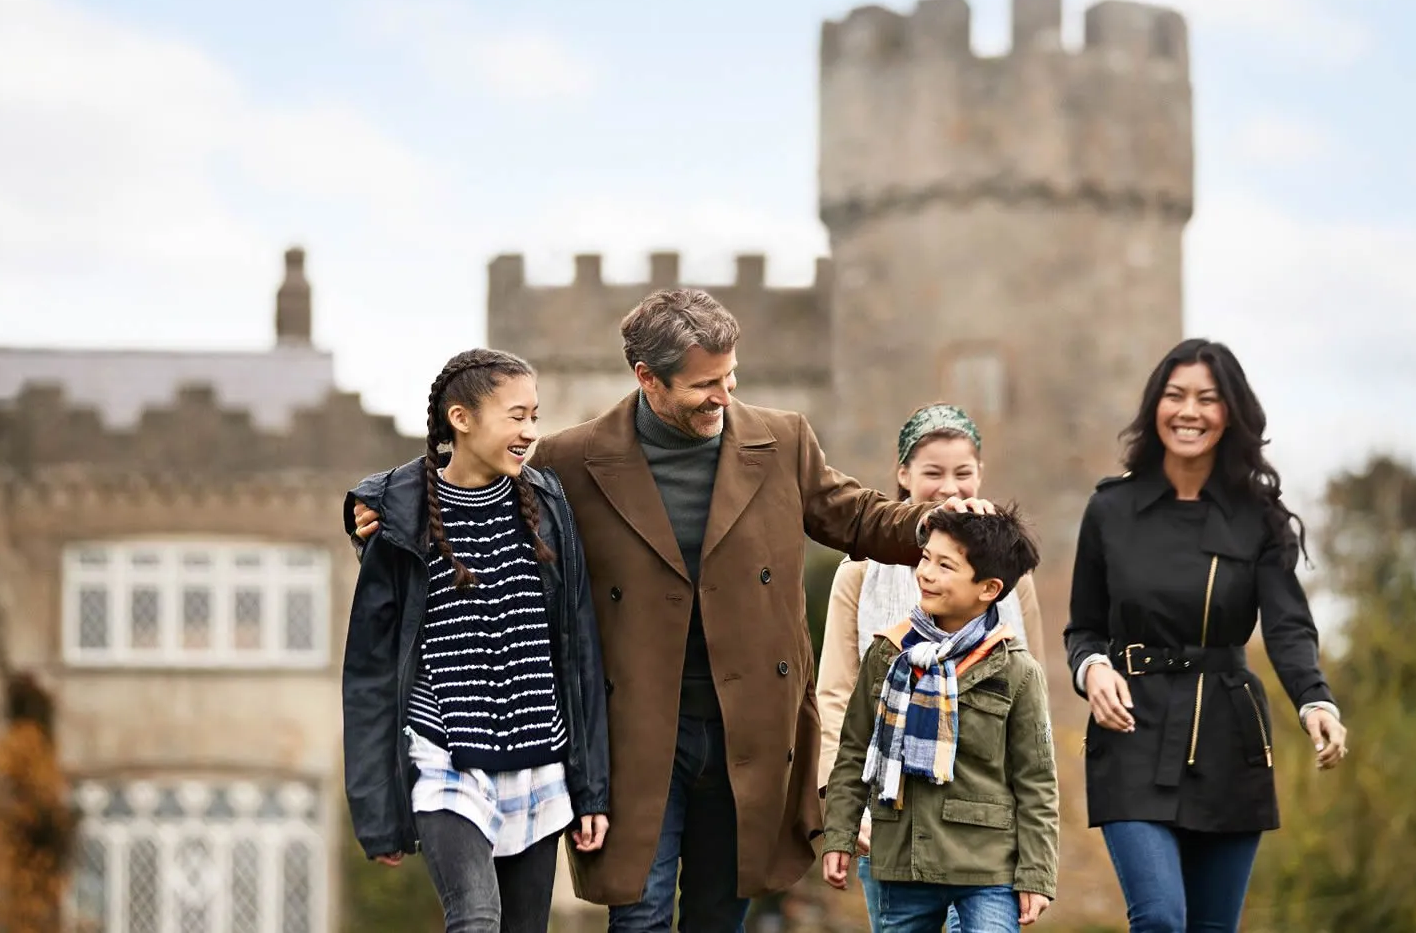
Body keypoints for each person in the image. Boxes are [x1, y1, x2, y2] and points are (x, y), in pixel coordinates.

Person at [348, 289, 997, 932]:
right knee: (641, 918)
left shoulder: (783, 440)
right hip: (637, 732)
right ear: (647, 378)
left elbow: (855, 516)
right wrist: (380, 503)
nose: (723, 396)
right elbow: (477, 479)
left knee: (718, 917)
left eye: (729, 377)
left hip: (747, 727)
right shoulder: (573, 459)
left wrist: (932, 524)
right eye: (704, 384)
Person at [1065, 338, 1349, 933]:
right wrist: (1093, 669)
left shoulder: (1261, 518)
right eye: (1175, 396)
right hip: (1131, 732)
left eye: (1207, 398)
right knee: (1161, 919)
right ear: (1156, 406)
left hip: (1229, 738)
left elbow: (1288, 626)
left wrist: (1315, 699)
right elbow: (1084, 627)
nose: (1188, 411)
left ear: (1230, 413)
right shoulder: (1109, 509)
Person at [342, 348, 612, 933]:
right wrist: (378, 810)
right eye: (516, 416)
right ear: (461, 419)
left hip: (539, 759)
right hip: (446, 758)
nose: (531, 431)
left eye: (535, 416)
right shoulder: (402, 513)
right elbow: (370, 671)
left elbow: (578, 651)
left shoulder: (550, 507)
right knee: (475, 918)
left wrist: (591, 791)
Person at [815, 403, 1050, 932]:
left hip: (985, 827)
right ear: (903, 475)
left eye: (962, 473)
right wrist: (843, 810)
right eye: (932, 473)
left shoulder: (1009, 576)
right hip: (891, 813)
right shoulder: (861, 573)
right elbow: (837, 697)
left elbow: (1029, 707)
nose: (949, 487)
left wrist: (1035, 852)